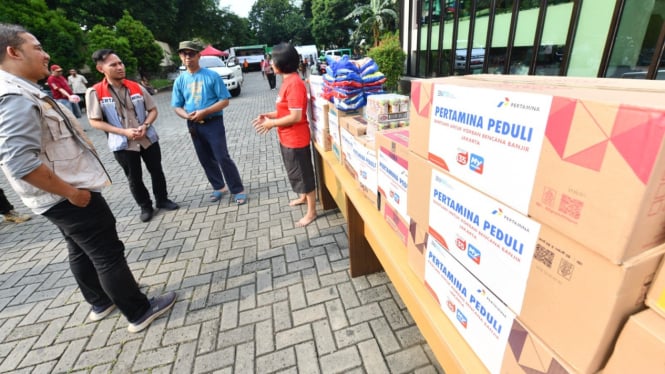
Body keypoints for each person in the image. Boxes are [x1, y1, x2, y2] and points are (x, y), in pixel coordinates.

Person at [0, 23, 176, 333]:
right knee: (107, 252)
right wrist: (71, 193)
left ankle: (100, 301)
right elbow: (20, 162)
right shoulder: (14, 96)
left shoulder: (22, 89)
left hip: (58, 192)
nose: (46, 54)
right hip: (65, 193)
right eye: (37, 48)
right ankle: (138, 310)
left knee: (79, 248)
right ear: (13, 52)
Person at [86, 49, 179, 222]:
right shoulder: (95, 92)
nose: (120, 67)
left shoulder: (136, 86)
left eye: (120, 63)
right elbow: (94, 121)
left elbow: (152, 110)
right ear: (101, 69)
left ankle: (162, 200)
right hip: (123, 144)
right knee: (134, 178)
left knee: (156, 170)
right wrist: (124, 132)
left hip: (147, 138)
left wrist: (145, 125)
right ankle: (145, 206)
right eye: (113, 65)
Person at [171, 40, 247, 205]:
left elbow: (224, 100)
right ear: (180, 57)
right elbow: (176, 106)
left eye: (191, 54)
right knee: (205, 158)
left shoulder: (211, 76)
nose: (187, 57)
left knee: (222, 156)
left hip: (213, 122)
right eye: (184, 54)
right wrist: (187, 116)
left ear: (199, 55)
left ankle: (237, 189)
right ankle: (219, 186)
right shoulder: (180, 81)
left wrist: (205, 111)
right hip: (193, 124)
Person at [252, 42, 317, 227]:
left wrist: (271, 123)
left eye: (273, 60)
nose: (270, 63)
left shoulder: (295, 84)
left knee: (304, 175)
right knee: (295, 172)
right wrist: (269, 115)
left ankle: (312, 212)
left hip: (296, 139)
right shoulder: (287, 81)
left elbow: (296, 116)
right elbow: (285, 111)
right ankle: (303, 197)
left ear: (282, 63)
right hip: (286, 138)